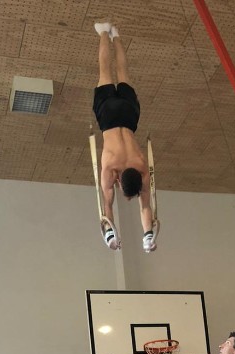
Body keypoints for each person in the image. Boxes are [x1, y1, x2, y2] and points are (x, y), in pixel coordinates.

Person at [92, 22, 156, 253]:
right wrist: (109, 234)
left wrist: (149, 235)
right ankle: (102, 32)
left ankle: (116, 35)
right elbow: (107, 207)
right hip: (108, 117)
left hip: (129, 116)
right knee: (104, 71)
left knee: (123, 73)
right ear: (119, 181)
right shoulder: (110, 170)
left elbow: (145, 206)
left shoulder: (141, 168)